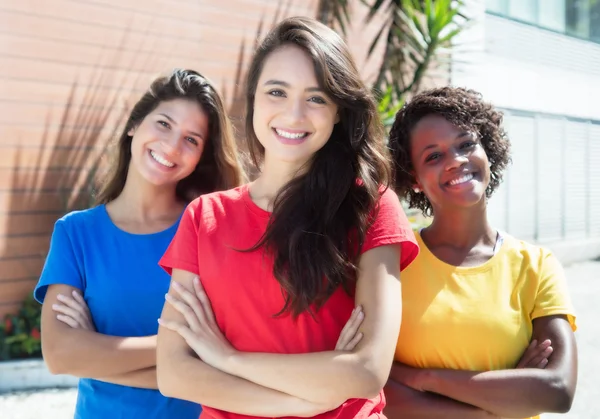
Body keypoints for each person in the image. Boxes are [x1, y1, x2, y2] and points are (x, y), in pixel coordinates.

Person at [155, 16, 419, 419]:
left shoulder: (372, 207)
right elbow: (175, 372)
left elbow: (367, 371)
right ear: (254, 100)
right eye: (277, 91)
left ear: (337, 112)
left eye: (316, 97)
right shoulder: (204, 217)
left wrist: (228, 359)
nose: (294, 114)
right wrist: (299, 402)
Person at [34, 69, 245, 419]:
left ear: (200, 158)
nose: (172, 146)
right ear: (134, 124)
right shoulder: (75, 233)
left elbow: (230, 359)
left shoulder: (209, 231)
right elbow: (60, 355)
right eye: (163, 124)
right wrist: (180, 348)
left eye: (191, 139)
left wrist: (97, 357)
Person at [384, 86, 578, 419]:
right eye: (433, 156)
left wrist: (421, 378)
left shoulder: (535, 265)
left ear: (486, 149)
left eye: (466, 144)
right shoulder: (393, 260)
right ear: (414, 178)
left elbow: (557, 390)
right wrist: (494, 406)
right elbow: (375, 383)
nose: (456, 160)